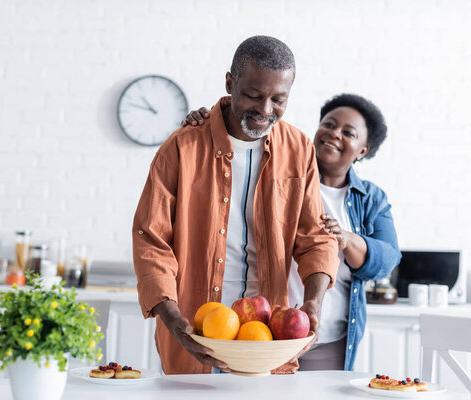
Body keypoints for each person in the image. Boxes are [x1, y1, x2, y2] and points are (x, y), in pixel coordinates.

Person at [132, 35, 339, 375]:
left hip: (269, 340)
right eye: (253, 95)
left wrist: (314, 302)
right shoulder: (182, 147)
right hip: (195, 332)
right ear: (230, 82)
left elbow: (314, 237)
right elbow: (151, 241)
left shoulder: (299, 149)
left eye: (279, 99)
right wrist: (171, 317)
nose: (265, 110)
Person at [182, 93, 402, 371]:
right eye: (329, 124)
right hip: (268, 333)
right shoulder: (280, 172)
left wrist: (348, 240)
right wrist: (210, 123)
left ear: (362, 150)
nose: (334, 134)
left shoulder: (371, 198)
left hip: (332, 337)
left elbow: (388, 260)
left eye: (348, 132)